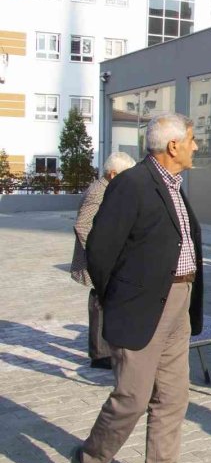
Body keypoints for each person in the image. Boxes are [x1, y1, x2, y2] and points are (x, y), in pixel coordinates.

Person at [70, 114, 203, 463]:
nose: (196, 145)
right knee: (132, 398)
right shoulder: (132, 184)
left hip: (179, 303)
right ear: (173, 145)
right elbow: (100, 249)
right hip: (142, 307)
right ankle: (90, 461)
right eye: (191, 139)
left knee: (173, 398)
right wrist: (117, 299)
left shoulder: (173, 185)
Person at [70, 151, 136, 370]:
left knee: (104, 300)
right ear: (113, 173)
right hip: (97, 260)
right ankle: (100, 355)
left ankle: (105, 349)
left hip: (102, 258)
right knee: (99, 301)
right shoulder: (99, 192)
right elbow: (82, 225)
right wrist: (100, 253)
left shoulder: (109, 188)